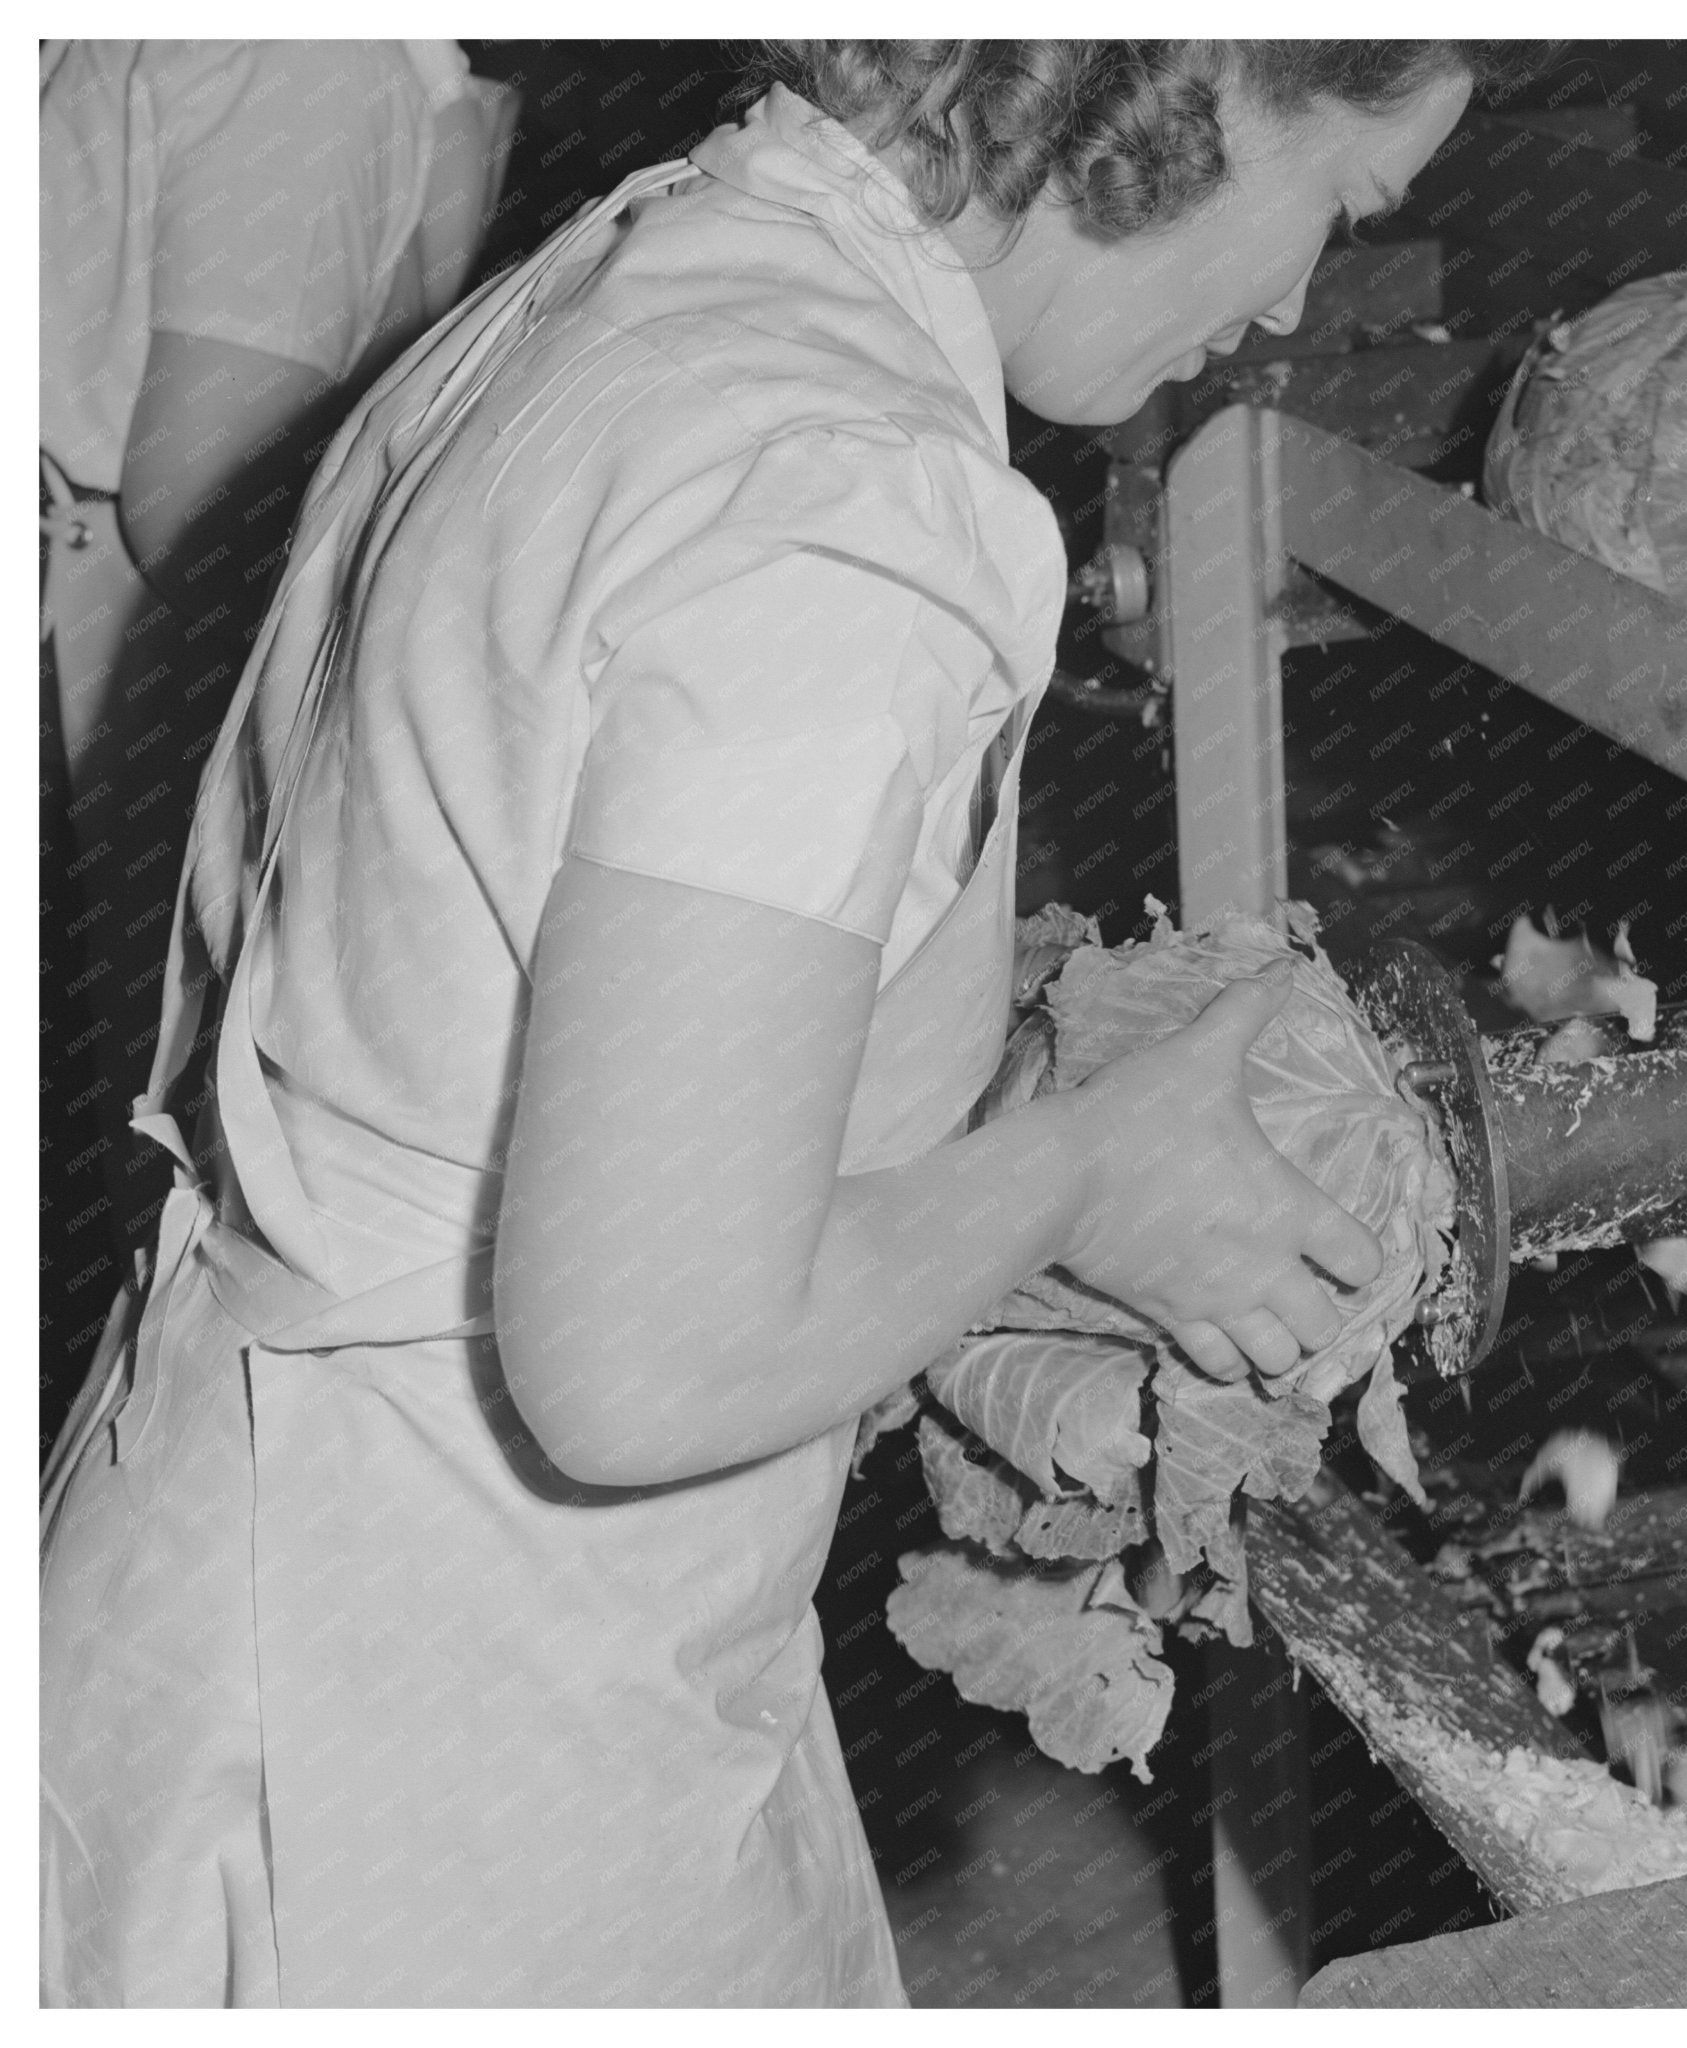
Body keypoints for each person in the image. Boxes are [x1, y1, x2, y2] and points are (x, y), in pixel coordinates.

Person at [40, 40, 1521, 2007]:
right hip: (429, 1713)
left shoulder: (658, 264)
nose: (1283, 307)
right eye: (1337, 208)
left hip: (253, 1542)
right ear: (1186, 87)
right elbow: (648, 1359)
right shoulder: (850, 509)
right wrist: (1088, 1164)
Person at [39, 39, 517, 1272]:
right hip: (112, 676)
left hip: (93, 641)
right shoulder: (317, 59)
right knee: (112, 1179)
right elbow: (203, 493)